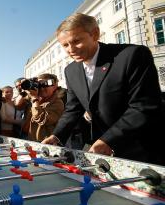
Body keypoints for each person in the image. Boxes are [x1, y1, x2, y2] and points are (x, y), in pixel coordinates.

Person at [43, 13, 163, 165]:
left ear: (95, 34)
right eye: (65, 45)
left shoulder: (133, 55)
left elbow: (143, 106)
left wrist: (108, 140)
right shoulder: (70, 70)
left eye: (76, 41)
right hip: (103, 150)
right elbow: (73, 109)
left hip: (142, 147)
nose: (71, 49)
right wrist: (57, 136)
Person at [24, 74, 64, 141]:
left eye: (45, 85)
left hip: (46, 143)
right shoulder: (38, 100)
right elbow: (18, 105)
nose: (42, 88)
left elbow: (42, 118)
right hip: (32, 140)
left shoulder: (57, 102)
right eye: (39, 86)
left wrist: (34, 98)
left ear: (54, 86)